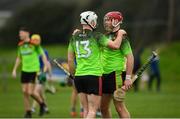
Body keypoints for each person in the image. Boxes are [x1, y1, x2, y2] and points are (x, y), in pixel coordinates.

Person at [68, 11, 125, 118]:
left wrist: (72, 75)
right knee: (92, 111)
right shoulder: (97, 36)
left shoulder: (74, 37)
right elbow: (116, 45)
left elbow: (70, 59)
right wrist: (120, 34)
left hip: (79, 77)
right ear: (91, 22)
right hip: (93, 76)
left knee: (85, 110)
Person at [100, 11, 134, 118]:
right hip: (104, 74)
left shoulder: (122, 38)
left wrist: (128, 77)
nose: (106, 22)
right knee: (103, 107)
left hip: (115, 75)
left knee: (119, 107)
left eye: (108, 20)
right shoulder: (106, 36)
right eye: (105, 20)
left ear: (115, 21)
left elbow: (130, 57)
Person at [12, 28, 48, 118]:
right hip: (25, 70)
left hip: (34, 70)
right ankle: (28, 112)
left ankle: (42, 104)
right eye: (19, 33)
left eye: (21, 33)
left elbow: (42, 54)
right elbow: (19, 58)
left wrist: (45, 65)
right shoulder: (20, 45)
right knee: (24, 92)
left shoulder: (34, 44)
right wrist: (14, 70)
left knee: (31, 92)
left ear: (27, 33)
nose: (20, 35)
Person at [30, 34, 52, 114]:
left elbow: (47, 63)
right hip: (33, 74)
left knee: (35, 92)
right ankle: (45, 107)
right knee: (40, 93)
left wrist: (44, 72)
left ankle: (33, 108)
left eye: (37, 40)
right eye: (34, 40)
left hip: (40, 75)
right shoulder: (30, 51)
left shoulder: (43, 51)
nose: (35, 41)